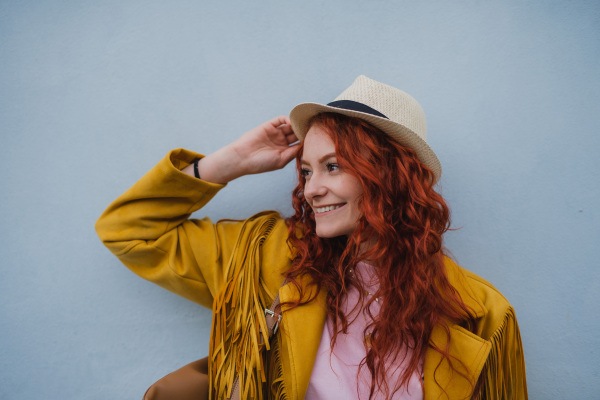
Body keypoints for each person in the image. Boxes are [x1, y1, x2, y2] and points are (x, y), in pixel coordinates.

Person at [96, 76, 527, 399]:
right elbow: (128, 230)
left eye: (333, 166)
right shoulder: (263, 256)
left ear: (392, 174)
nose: (310, 188)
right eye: (306, 170)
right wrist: (231, 162)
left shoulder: (478, 312)